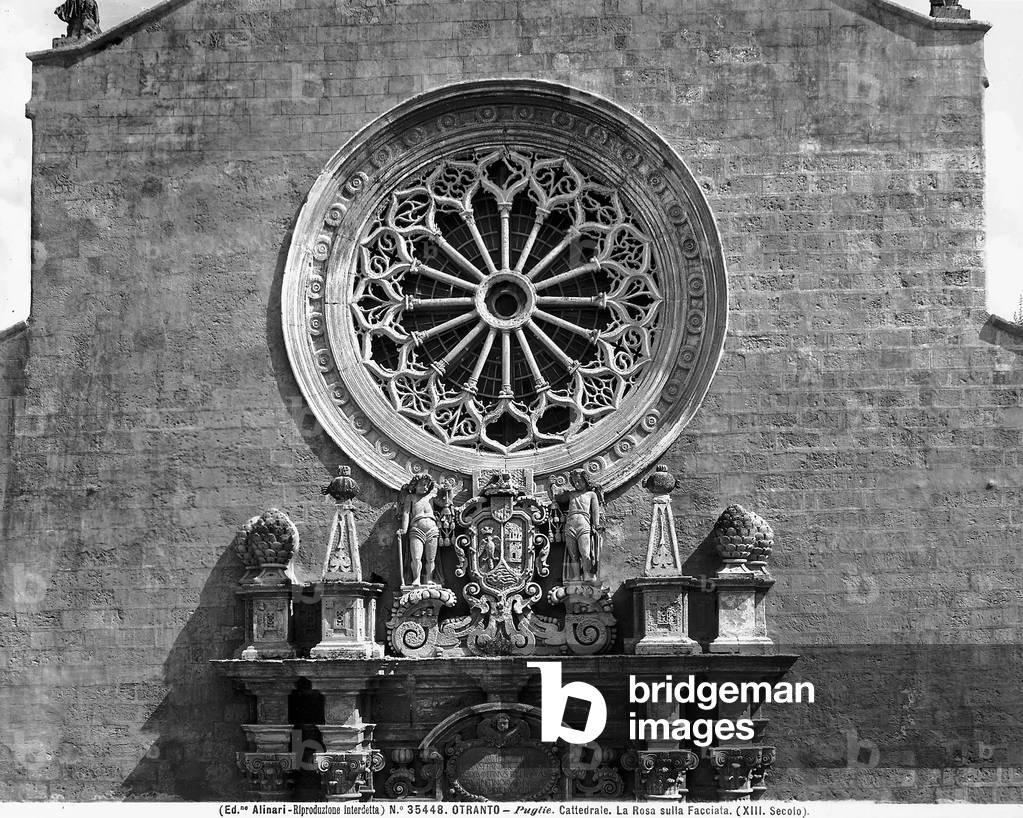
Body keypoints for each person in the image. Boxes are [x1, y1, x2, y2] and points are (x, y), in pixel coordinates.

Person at [554, 469, 603, 582]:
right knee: (573, 555)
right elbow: (556, 498)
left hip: (583, 525)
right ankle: (576, 577)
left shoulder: (591, 494)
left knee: (585, 553)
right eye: (574, 482)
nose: (577, 484)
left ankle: (588, 575)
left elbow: (595, 511)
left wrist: (596, 524)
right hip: (570, 525)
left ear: (586, 481)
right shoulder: (571, 494)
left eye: (579, 481)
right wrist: (553, 485)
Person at [398, 473, 441, 586]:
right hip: (416, 529)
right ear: (414, 485)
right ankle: (416, 579)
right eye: (422, 485)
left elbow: (445, 502)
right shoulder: (410, 498)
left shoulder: (431, 497)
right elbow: (406, 513)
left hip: (432, 529)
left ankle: (429, 579)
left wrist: (448, 490)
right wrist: (404, 529)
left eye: (427, 485)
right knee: (416, 557)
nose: (425, 488)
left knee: (431, 559)